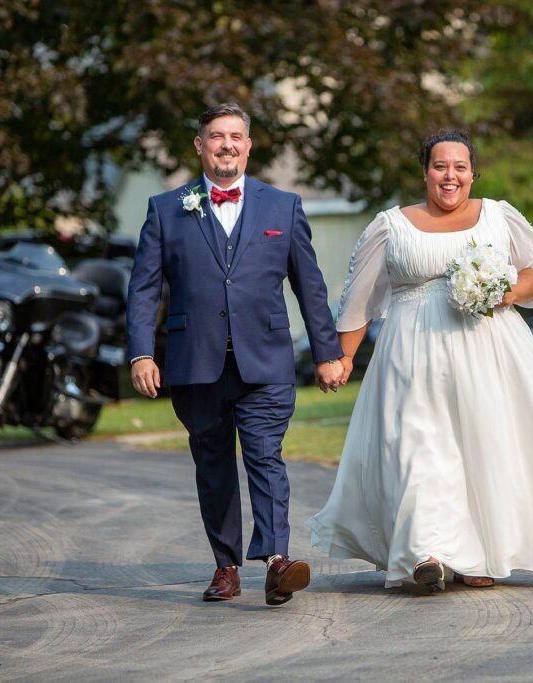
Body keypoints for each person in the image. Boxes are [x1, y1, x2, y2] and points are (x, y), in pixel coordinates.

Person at [307, 131, 533, 590]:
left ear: (472, 172)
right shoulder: (391, 225)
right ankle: (426, 552)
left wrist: (507, 290)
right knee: (420, 448)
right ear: (425, 171)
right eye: (439, 166)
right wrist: (341, 357)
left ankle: (480, 557)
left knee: (485, 447)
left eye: (459, 167)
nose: (450, 176)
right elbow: (359, 299)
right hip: (413, 351)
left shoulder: (499, 216)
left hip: (490, 350)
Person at [127, 102, 344, 606]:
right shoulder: (166, 208)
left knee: (266, 456)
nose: (227, 144)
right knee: (214, 464)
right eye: (216, 136)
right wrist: (141, 354)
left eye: (236, 136)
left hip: (265, 359)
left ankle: (276, 562)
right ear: (199, 145)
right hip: (193, 362)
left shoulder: (283, 206)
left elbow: (309, 286)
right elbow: (143, 290)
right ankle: (225, 565)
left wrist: (327, 352)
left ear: (249, 145)